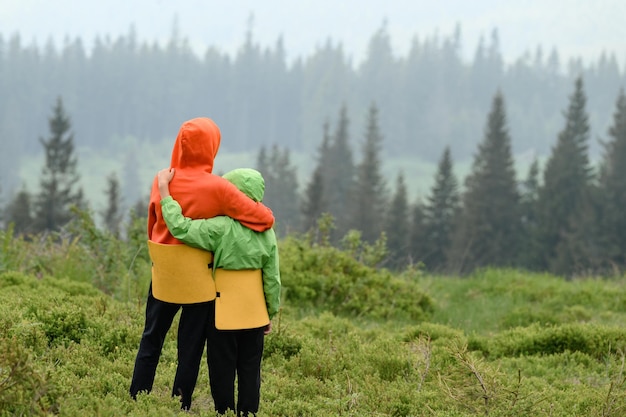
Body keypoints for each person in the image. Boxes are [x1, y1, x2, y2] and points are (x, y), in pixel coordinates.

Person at [130, 117, 275, 411]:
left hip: (165, 272)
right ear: (211, 147)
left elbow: (152, 225)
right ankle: (180, 404)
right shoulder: (219, 188)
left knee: (151, 339)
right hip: (198, 278)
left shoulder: (162, 182)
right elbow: (264, 219)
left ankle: (136, 399)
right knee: (190, 348)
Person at [157, 166, 281, 417]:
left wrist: (164, 192)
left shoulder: (220, 227)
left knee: (221, 368)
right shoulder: (267, 232)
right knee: (250, 370)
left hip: (222, 310)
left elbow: (180, 228)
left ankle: (223, 412)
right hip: (254, 312)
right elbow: (272, 279)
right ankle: (249, 414)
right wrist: (270, 311)